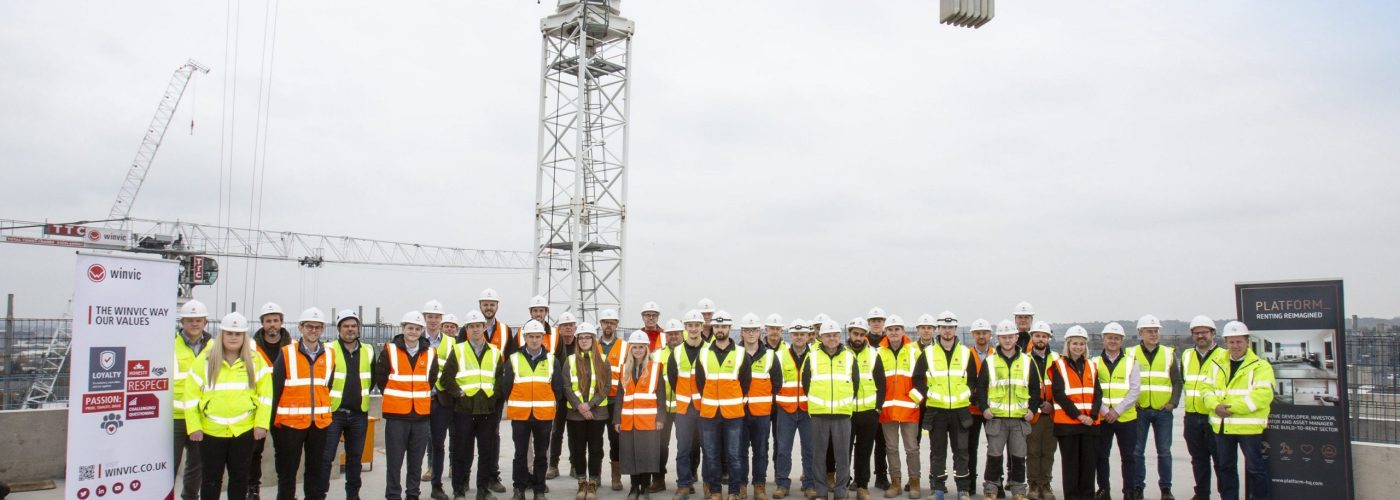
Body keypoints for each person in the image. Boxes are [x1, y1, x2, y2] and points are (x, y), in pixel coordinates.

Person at [185, 312, 272, 500]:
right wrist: (194, 426)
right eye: (229, 333)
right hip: (211, 431)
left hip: (243, 430)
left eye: (238, 334)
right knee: (211, 479)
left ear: (244, 336)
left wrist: (261, 424)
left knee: (240, 478)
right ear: (222, 334)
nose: (233, 337)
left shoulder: (255, 361)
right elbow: (191, 397)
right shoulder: (205, 360)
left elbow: (265, 396)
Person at [911, 311, 980, 500]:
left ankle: (963, 490)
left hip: (960, 411)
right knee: (938, 452)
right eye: (943, 327)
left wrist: (965, 394)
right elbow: (917, 379)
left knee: (962, 452)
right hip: (937, 411)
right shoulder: (928, 353)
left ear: (955, 329)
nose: (947, 331)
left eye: (950, 327)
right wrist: (929, 394)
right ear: (939, 329)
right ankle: (938, 489)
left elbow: (972, 381)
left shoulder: (966, 353)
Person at [1203, 321, 1275, 500]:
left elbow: (1262, 396)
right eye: (1231, 342)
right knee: (1225, 468)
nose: (1235, 346)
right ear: (1226, 342)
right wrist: (1214, 406)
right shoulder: (1216, 364)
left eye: (1239, 341)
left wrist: (1231, 408)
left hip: (1247, 428)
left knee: (1255, 469)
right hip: (1223, 426)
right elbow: (1206, 390)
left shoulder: (1260, 366)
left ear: (1247, 342)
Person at [270, 308, 335, 500]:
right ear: (300, 328)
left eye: (317, 327)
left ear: (322, 329)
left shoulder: (330, 355)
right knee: (287, 472)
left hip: (319, 424)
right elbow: (276, 389)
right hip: (291, 425)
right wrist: (274, 423)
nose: (313, 330)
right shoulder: (287, 353)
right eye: (309, 326)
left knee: (315, 471)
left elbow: (327, 386)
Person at [374, 311, 439, 500]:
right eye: (410, 328)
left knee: (416, 462)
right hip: (397, 417)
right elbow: (381, 379)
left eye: (417, 329)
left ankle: (413, 494)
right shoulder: (390, 351)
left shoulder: (430, 353)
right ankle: (393, 495)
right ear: (403, 328)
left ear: (421, 331)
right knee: (394, 462)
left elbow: (431, 379)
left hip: (420, 417)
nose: (413, 332)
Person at [440, 310, 504, 500]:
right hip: (464, 411)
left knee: (486, 453)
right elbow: (446, 378)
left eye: (478, 326)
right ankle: (459, 490)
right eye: (471, 326)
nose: (475, 329)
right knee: (462, 453)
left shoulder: (495, 352)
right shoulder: (458, 350)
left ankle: (483, 491)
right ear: (466, 329)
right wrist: (459, 394)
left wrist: (494, 398)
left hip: (487, 411)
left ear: (484, 328)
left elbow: (500, 380)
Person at [979, 320, 1040, 500]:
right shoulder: (990, 362)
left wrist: (1032, 410)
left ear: (1016, 337)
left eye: (1010, 337)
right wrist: (984, 408)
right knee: (994, 456)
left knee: (1019, 457)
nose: (1007, 340)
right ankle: (991, 490)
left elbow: (1035, 388)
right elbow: (981, 388)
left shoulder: (1027, 361)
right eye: (1004, 337)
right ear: (998, 338)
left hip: (1019, 419)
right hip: (996, 418)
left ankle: (1018, 492)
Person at [804, 320, 862, 500]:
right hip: (819, 414)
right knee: (818, 456)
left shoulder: (849, 357)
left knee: (842, 457)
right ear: (821, 337)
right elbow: (806, 384)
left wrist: (842, 403)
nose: (832, 338)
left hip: (842, 414)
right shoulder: (812, 357)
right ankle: (821, 492)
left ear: (840, 337)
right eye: (828, 335)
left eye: (835, 335)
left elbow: (855, 383)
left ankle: (840, 491)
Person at [320, 309, 373, 500]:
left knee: (355, 460)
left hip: (358, 413)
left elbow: (372, 378)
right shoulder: (328, 349)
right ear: (339, 329)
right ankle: (320, 495)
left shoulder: (368, 350)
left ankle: (353, 495)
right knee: (326, 458)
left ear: (358, 328)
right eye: (346, 326)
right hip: (333, 413)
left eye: (353, 326)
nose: (350, 329)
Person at [1129, 315, 1182, 500]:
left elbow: (1177, 381)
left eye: (1156, 331)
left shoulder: (1168, 353)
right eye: (1149, 331)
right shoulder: (1131, 353)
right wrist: (1131, 401)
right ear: (1140, 333)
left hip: (1162, 411)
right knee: (1137, 451)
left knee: (1164, 452)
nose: (1154, 334)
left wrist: (1173, 403)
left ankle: (1166, 489)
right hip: (1140, 410)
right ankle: (1138, 487)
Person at [503, 320, 556, 500]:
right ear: (524, 337)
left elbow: (557, 389)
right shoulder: (513, 359)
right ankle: (519, 489)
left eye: (537, 336)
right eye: (531, 336)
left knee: (541, 455)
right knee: (520, 454)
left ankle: (539, 490)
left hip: (543, 416)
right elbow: (506, 387)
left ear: (543, 338)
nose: (534, 340)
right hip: (520, 416)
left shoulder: (552, 360)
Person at [561, 322, 614, 499]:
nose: (584, 340)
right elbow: (566, 386)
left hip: (597, 413)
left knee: (595, 449)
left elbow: (606, 386)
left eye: (587, 337)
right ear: (577, 341)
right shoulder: (569, 361)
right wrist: (580, 407)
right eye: (581, 338)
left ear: (593, 340)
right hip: (575, 414)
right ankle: (581, 483)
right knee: (578, 449)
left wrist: (590, 405)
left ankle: (593, 483)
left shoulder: (603, 360)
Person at [698, 310, 745, 500]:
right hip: (709, 414)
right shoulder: (704, 353)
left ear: (729, 328)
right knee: (711, 455)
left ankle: (734, 492)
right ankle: (715, 491)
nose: (720, 329)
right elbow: (700, 382)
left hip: (733, 414)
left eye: (724, 326)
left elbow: (746, 382)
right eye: (717, 326)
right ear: (712, 328)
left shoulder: (740, 353)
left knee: (734, 456)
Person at [615, 330, 668, 499]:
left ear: (646, 349)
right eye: (635, 347)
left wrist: (660, 418)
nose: (637, 350)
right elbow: (619, 397)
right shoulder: (624, 369)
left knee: (646, 455)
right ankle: (634, 487)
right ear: (630, 349)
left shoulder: (655, 368)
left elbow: (661, 396)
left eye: (641, 347)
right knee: (630, 455)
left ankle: (644, 487)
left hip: (648, 421)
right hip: (628, 421)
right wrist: (616, 419)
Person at [1051, 326, 1102, 500]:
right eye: (1074, 343)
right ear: (1068, 344)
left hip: (1090, 425)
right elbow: (1059, 394)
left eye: (1081, 344)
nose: (1078, 347)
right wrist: (1079, 416)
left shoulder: (1092, 366)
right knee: (1071, 467)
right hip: (1068, 425)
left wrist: (1092, 416)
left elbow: (1097, 393)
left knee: (1089, 467)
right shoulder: (1058, 365)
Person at [1181, 316, 1228, 500]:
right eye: (1196, 333)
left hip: (1214, 416)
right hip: (1192, 416)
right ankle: (1201, 494)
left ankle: (1225, 494)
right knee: (1198, 460)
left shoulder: (1224, 356)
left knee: (1220, 460)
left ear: (1213, 333)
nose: (1200, 336)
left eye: (1204, 332)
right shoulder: (1186, 355)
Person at [1093, 323, 1141, 500]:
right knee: (1101, 456)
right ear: (1103, 339)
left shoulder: (1131, 362)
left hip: (1126, 418)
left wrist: (1117, 411)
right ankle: (1104, 490)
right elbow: (1092, 390)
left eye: (1116, 338)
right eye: (1109, 338)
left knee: (1128, 457)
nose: (1113, 341)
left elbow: (1135, 390)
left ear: (1122, 341)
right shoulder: (1094, 362)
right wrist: (1105, 411)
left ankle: (1129, 491)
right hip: (1103, 417)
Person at [739, 314, 783, 500]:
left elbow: (777, 383)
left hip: (762, 413)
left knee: (760, 451)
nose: (751, 333)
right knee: (739, 451)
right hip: (739, 412)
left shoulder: (770, 356)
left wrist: (763, 400)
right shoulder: (735, 354)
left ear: (760, 332)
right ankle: (741, 486)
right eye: (747, 330)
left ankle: (759, 487)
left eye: (754, 330)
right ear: (741, 332)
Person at [250, 302, 290, 499]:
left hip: (283, 407)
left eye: (275, 320)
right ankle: (252, 490)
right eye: (268, 321)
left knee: (284, 452)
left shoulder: (292, 347)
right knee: (254, 452)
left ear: (281, 322)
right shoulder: (251, 348)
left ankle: (285, 492)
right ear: (262, 323)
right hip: (258, 407)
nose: (272, 324)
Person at [173, 299, 212, 500]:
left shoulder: (214, 347)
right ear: (182, 323)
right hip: (176, 415)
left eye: (198, 320)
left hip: (201, 415)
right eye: (190, 320)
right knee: (169, 463)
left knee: (196, 464)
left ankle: (189, 497)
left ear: (205, 322)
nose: (194, 324)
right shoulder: (170, 345)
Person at [774, 319, 816, 499]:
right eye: (796, 334)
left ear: (808, 336)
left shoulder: (816, 356)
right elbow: (774, 381)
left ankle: (809, 484)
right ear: (790, 335)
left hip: (808, 409)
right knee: (783, 449)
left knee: (809, 449)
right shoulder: (780, 355)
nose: (799, 337)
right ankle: (783, 484)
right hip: (786, 409)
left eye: (802, 334)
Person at [669, 310, 709, 499]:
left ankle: (709, 485)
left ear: (702, 327)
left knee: (708, 449)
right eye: (690, 325)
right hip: (684, 410)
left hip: (706, 408)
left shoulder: (710, 350)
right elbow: (673, 379)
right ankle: (684, 485)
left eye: (696, 325)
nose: (693, 329)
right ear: (685, 328)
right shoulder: (676, 352)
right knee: (683, 449)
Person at [423, 299, 458, 500]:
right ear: (425, 318)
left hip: (442, 400)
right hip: (419, 400)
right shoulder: (416, 339)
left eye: (437, 317)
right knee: (416, 446)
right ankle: (412, 490)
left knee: (438, 444)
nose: (433, 320)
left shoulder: (452, 343)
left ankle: (437, 486)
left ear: (441, 319)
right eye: (430, 317)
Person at [477, 289, 511, 495]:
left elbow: (511, 363)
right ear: (480, 305)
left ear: (497, 306)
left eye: (492, 304)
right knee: (467, 437)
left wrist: (503, 391)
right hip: (471, 396)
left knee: (493, 435)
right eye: (485, 304)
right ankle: (463, 479)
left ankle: (492, 476)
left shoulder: (506, 331)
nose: (488, 308)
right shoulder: (470, 327)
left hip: (495, 395)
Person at [847, 318, 883, 500]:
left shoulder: (874, 355)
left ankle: (862, 486)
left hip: (868, 412)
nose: (859, 338)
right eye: (855, 334)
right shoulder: (842, 354)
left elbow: (881, 383)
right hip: (846, 412)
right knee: (844, 451)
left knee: (864, 450)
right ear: (849, 333)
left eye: (862, 334)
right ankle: (843, 483)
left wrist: (877, 408)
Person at [1025, 321, 1061, 500]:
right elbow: (1022, 386)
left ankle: (1045, 484)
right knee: (1032, 452)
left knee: (1048, 452)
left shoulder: (1057, 359)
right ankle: (1033, 484)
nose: (1040, 339)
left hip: (1052, 413)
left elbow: (1062, 387)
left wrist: (1052, 404)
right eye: (1037, 335)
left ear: (1049, 338)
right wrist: (1038, 404)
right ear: (1032, 337)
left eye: (1044, 336)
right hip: (1033, 413)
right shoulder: (1024, 359)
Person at [652, 318, 686, 494]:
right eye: (670, 334)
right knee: (659, 446)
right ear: (665, 336)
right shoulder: (656, 355)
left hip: (683, 408)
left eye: (676, 334)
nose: (673, 337)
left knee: (686, 446)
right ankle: (658, 479)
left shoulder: (688, 354)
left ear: (682, 334)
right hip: (662, 409)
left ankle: (686, 480)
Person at [548, 311, 580, 481]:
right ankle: (553, 465)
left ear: (575, 327)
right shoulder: (554, 345)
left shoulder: (581, 344)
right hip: (559, 395)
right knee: (556, 431)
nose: (568, 328)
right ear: (558, 328)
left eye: (571, 325)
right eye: (564, 325)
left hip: (576, 395)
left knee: (574, 432)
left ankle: (575, 465)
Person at [598, 310, 628, 492]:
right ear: (601, 324)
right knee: (595, 442)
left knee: (616, 441)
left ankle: (615, 477)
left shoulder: (625, 347)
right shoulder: (593, 345)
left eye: (612, 322)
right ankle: (596, 476)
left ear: (616, 325)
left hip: (616, 401)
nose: (608, 325)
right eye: (605, 322)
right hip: (596, 401)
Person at [964, 319, 995, 495]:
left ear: (990, 335)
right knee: (970, 448)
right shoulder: (966, 355)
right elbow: (965, 380)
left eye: (984, 333)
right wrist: (975, 399)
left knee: (994, 449)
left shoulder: (996, 355)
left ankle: (995, 483)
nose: (981, 336)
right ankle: (970, 485)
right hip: (971, 408)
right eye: (978, 333)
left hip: (992, 409)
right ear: (973, 335)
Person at [865, 308, 891, 492]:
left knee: (882, 443)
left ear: (883, 323)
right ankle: (860, 478)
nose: (876, 323)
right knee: (863, 443)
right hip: (864, 400)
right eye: (873, 320)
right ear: (869, 323)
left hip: (883, 399)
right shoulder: (861, 341)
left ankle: (881, 476)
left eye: (879, 320)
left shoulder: (888, 343)